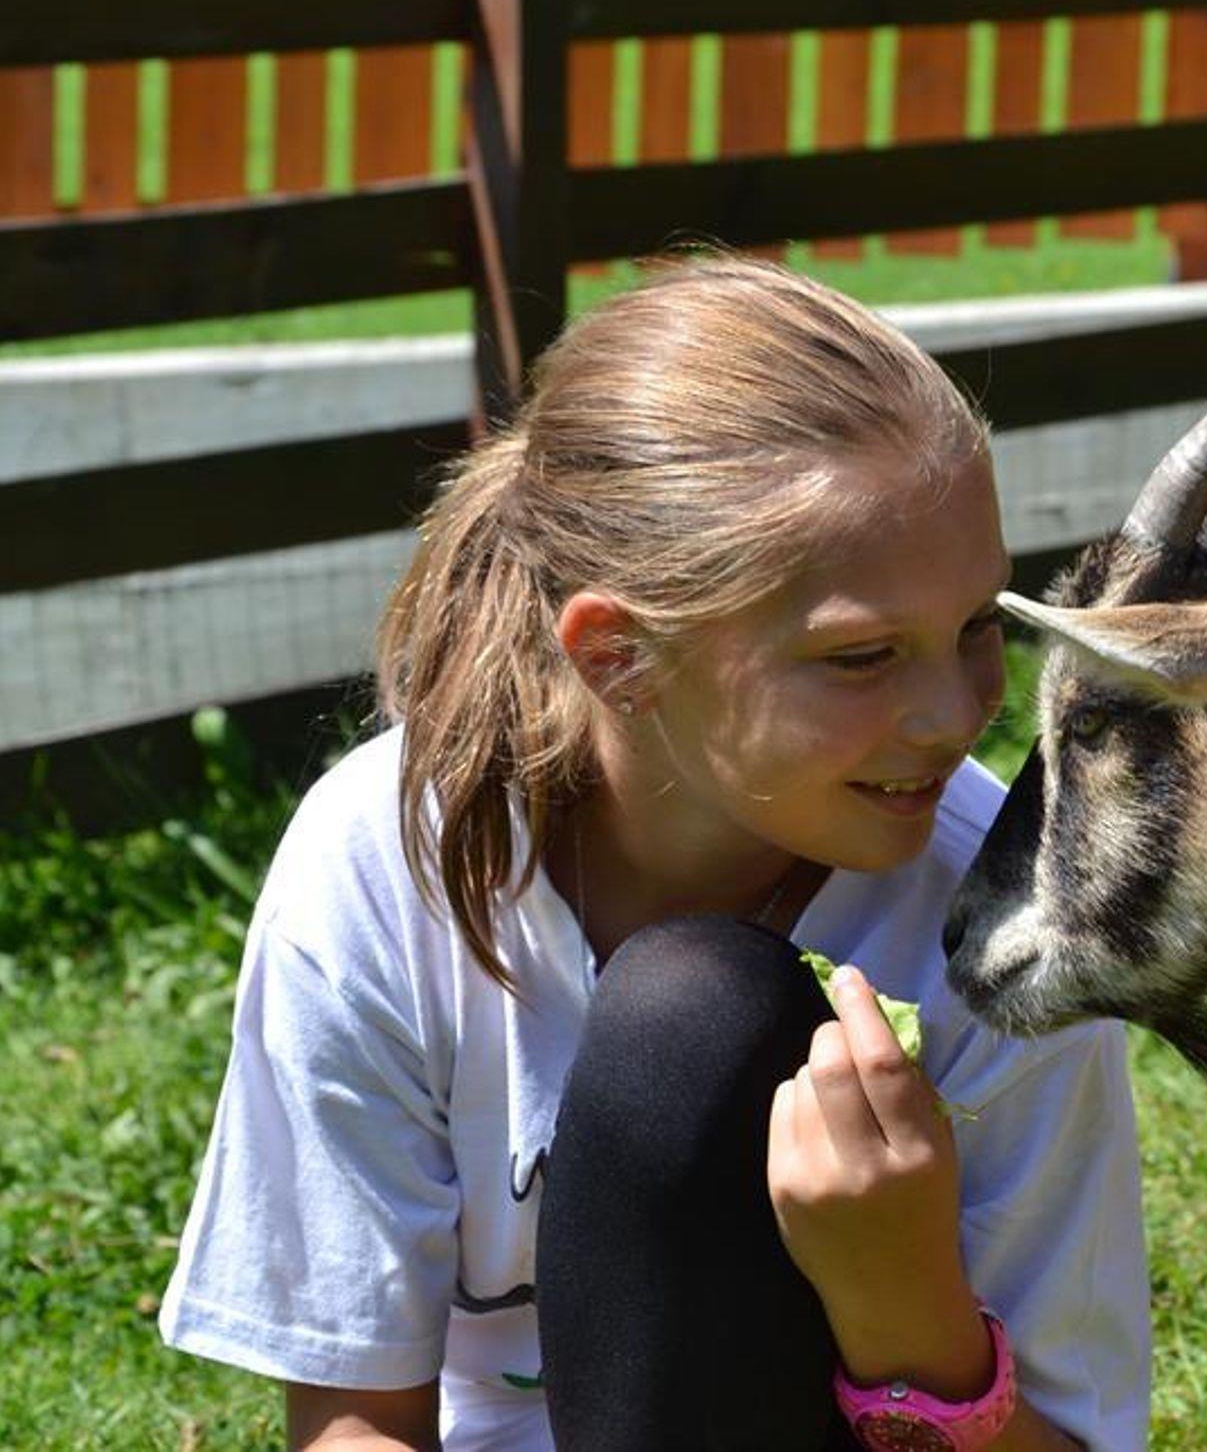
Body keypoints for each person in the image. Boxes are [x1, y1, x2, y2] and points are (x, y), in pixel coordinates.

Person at [157, 255, 1151, 1451]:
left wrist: (902, 1302)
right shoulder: (389, 860)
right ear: (617, 654)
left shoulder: (1010, 920)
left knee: (697, 1015)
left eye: (978, 623)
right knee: (693, 1015)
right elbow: (355, 1421)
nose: (954, 714)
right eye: (860, 655)